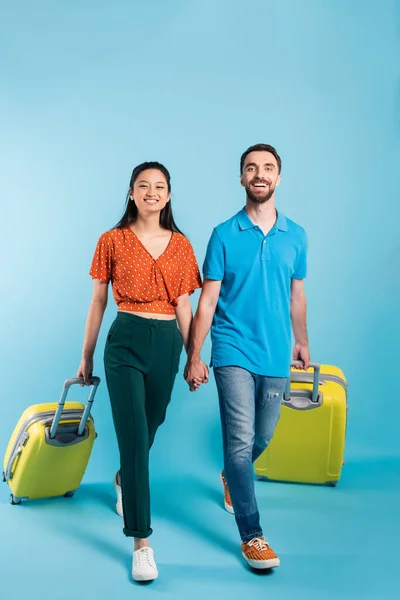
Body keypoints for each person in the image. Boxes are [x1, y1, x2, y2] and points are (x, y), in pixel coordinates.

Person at [184, 143, 310, 570]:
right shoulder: (223, 234)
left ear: (278, 178)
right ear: (241, 178)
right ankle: (253, 536)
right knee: (238, 443)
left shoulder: (297, 235)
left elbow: (297, 296)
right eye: (251, 168)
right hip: (232, 347)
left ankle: (231, 480)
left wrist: (302, 341)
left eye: (268, 168)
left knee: (262, 438)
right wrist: (195, 355)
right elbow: (206, 301)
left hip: (276, 354)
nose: (259, 174)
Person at [77, 161, 204, 582]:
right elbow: (98, 302)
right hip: (126, 340)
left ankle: (121, 479)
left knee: (151, 425)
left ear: (168, 196)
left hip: (168, 342)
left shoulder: (182, 245)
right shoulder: (111, 240)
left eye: (160, 186)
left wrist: (193, 356)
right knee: (133, 439)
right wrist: (87, 356)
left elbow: (185, 306)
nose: (152, 191)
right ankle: (141, 542)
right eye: (144, 185)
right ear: (131, 192)